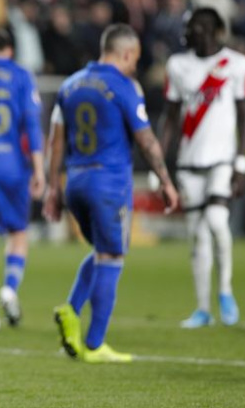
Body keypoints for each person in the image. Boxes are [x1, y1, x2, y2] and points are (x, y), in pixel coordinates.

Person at [45, 24, 178, 363]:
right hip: (108, 182)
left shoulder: (70, 84)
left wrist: (52, 188)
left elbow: (55, 142)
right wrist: (165, 180)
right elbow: (146, 140)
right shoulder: (124, 86)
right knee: (112, 257)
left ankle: (71, 310)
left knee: (103, 251)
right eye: (135, 58)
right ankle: (95, 344)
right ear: (127, 53)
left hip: (75, 182)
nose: (136, 65)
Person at [159, 7, 245, 328]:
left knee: (216, 220)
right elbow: (170, 116)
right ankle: (202, 308)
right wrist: (161, 162)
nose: (188, 33)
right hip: (189, 161)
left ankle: (225, 290)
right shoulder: (177, 65)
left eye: (195, 28)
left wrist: (241, 162)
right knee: (196, 235)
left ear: (213, 31)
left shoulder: (236, 64)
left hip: (222, 159)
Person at [0, 29, 44, 330]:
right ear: (10, 50)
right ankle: (10, 288)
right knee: (18, 232)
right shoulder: (21, 75)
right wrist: (39, 170)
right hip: (13, 166)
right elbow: (32, 125)